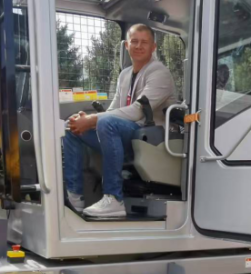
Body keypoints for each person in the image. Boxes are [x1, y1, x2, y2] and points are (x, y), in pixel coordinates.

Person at [63, 23, 175, 219]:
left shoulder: (159, 73)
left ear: (153, 47)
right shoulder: (125, 74)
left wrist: (92, 119)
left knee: (106, 123)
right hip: (129, 133)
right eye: (134, 41)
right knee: (72, 127)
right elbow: (113, 110)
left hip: (152, 137)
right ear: (126, 45)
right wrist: (85, 121)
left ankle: (114, 198)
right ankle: (74, 197)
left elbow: (137, 112)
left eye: (144, 42)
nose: (138, 46)